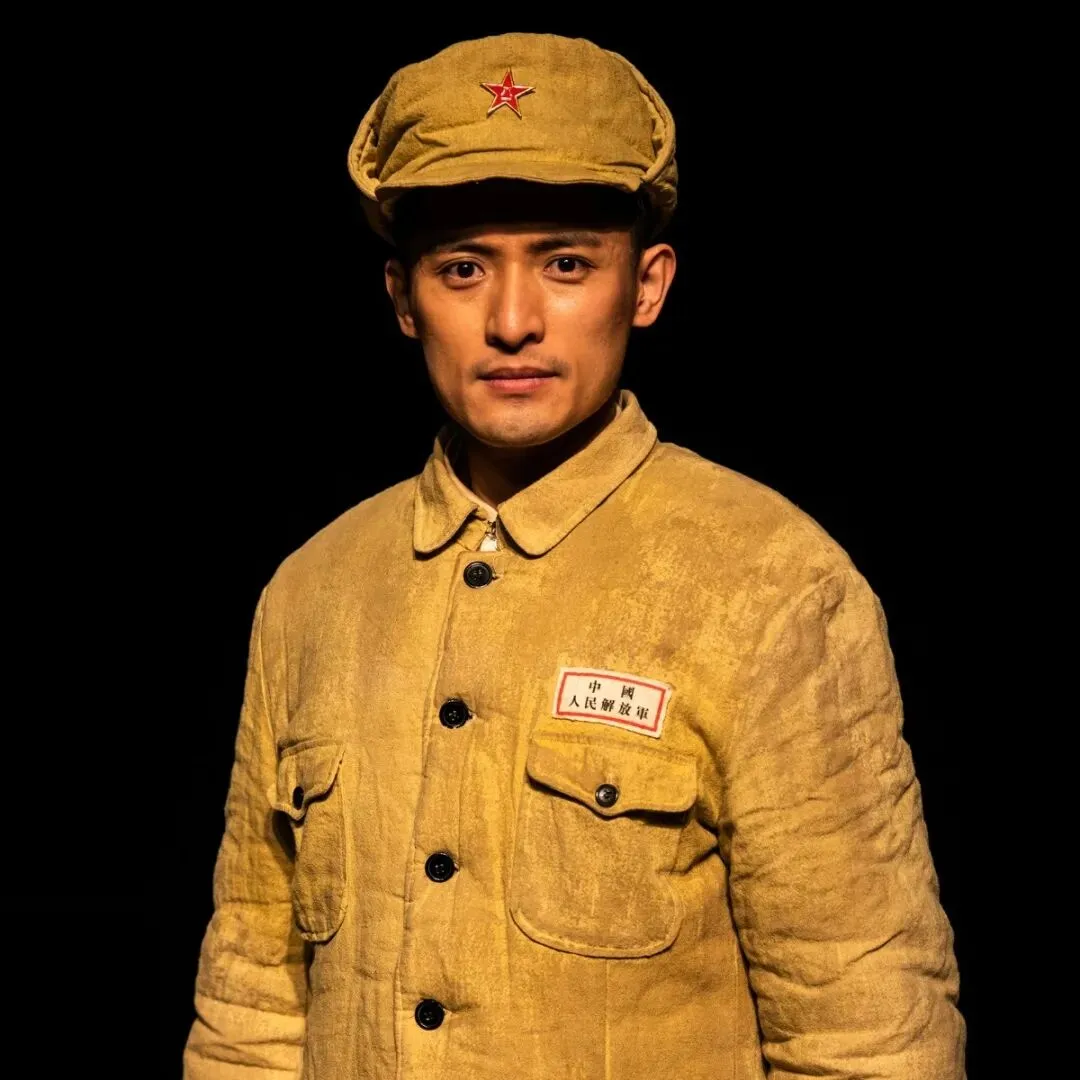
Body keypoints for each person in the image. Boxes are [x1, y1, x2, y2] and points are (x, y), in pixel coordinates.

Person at [183, 32, 965, 1080]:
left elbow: (867, 1029)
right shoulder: (313, 592)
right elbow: (253, 1005)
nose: (512, 322)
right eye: (463, 269)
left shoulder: (770, 583)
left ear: (646, 286)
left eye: (565, 264)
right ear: (404, 299)